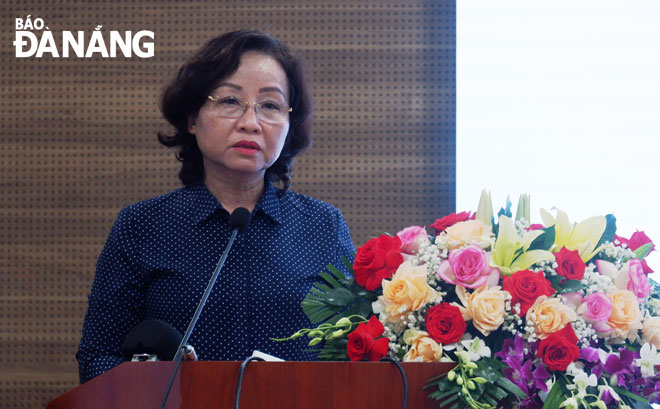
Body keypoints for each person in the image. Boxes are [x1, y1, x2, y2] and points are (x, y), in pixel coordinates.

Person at [76, 30, 355, 383]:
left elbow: (359, 356)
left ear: (288, 124)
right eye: (229, 101)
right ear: (193, 118)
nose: (250, 123)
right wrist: (157, 381)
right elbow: (97, 358)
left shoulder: (323, 226)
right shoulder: (142, 226)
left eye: (269, 105)